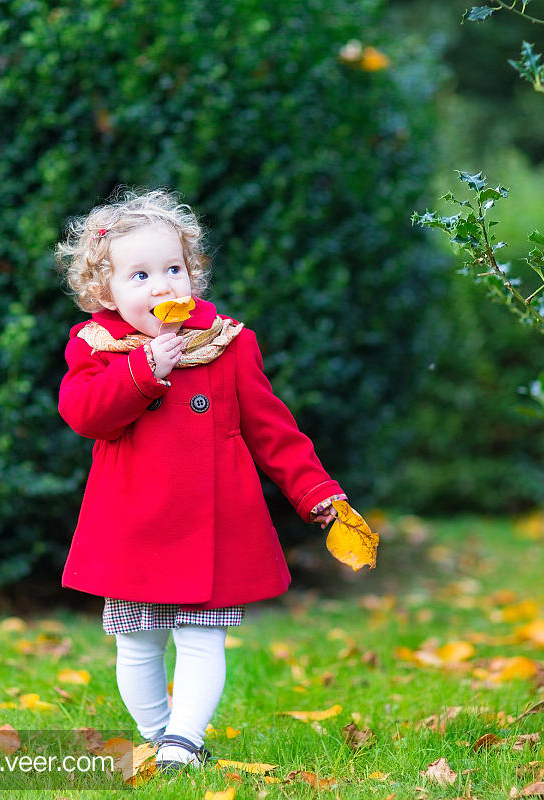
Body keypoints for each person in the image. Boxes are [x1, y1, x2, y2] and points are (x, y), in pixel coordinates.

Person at [54, 188, 346, 773]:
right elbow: (83, 414)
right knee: (137, 643)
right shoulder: (100, 348)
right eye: (140, 275)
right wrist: (142, 372)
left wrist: (316, 492)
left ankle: (184, 740)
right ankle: (156, 734)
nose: (163, 286)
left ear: (193, 274)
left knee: (203, 637)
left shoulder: (227, 343)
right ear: (105, 292)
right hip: (134, 522)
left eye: (174, 269)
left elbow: (272, 430)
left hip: (213, 522)